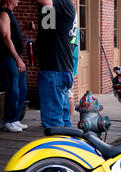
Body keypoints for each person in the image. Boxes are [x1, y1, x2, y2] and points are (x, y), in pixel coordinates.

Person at [36, 0, 77, 129]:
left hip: (54, 71)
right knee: (63, 123)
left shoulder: (63, 3)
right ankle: (66, 146)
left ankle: (59, 147)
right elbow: (48, 32)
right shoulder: (58, 8)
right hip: (58, 70)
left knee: (53, 125)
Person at [0, 0, 32, 132]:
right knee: (13, 89)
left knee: (22, 88)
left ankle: (15, 118)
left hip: (16, 57)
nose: (19, 0)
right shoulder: (3, 14)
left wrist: (25, 29)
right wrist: (17, 59)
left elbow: (14, 37)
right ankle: (9, 120)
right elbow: (6, 38)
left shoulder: (11, 14)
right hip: (9, 58)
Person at [68, 28, 79, 122]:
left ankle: (69, 121)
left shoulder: (74, 30)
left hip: (69, 67)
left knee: (69, 95)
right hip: (68, 67)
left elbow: (71, 48)